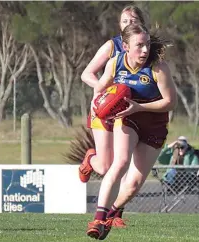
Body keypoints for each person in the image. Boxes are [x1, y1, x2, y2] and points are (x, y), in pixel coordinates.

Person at [86, 23, 176, 240]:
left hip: (154, 125)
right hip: (128, 119)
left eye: (147, 45)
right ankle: (98, 219)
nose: (145, 50)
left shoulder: (158, 68)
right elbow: (100, 87)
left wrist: (140, 106)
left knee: (134, 184)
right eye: (139, 46)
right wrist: (96, 105)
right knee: (120, 162)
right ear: (125, 46)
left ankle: (112, 211)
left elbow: (170, 102)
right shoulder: (115, 63)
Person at [78, 5, 145, 227]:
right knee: (107, 166)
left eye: (133, 20)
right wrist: (107, 92)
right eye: (124, 21)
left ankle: (115, 214)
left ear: (141, 23)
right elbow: (86, 73)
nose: (129, 24)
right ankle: (90, 159)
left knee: (122, 164)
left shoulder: (145, 48)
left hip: (129, 112)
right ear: (119, 25)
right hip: (105, 108)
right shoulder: (112, 45)